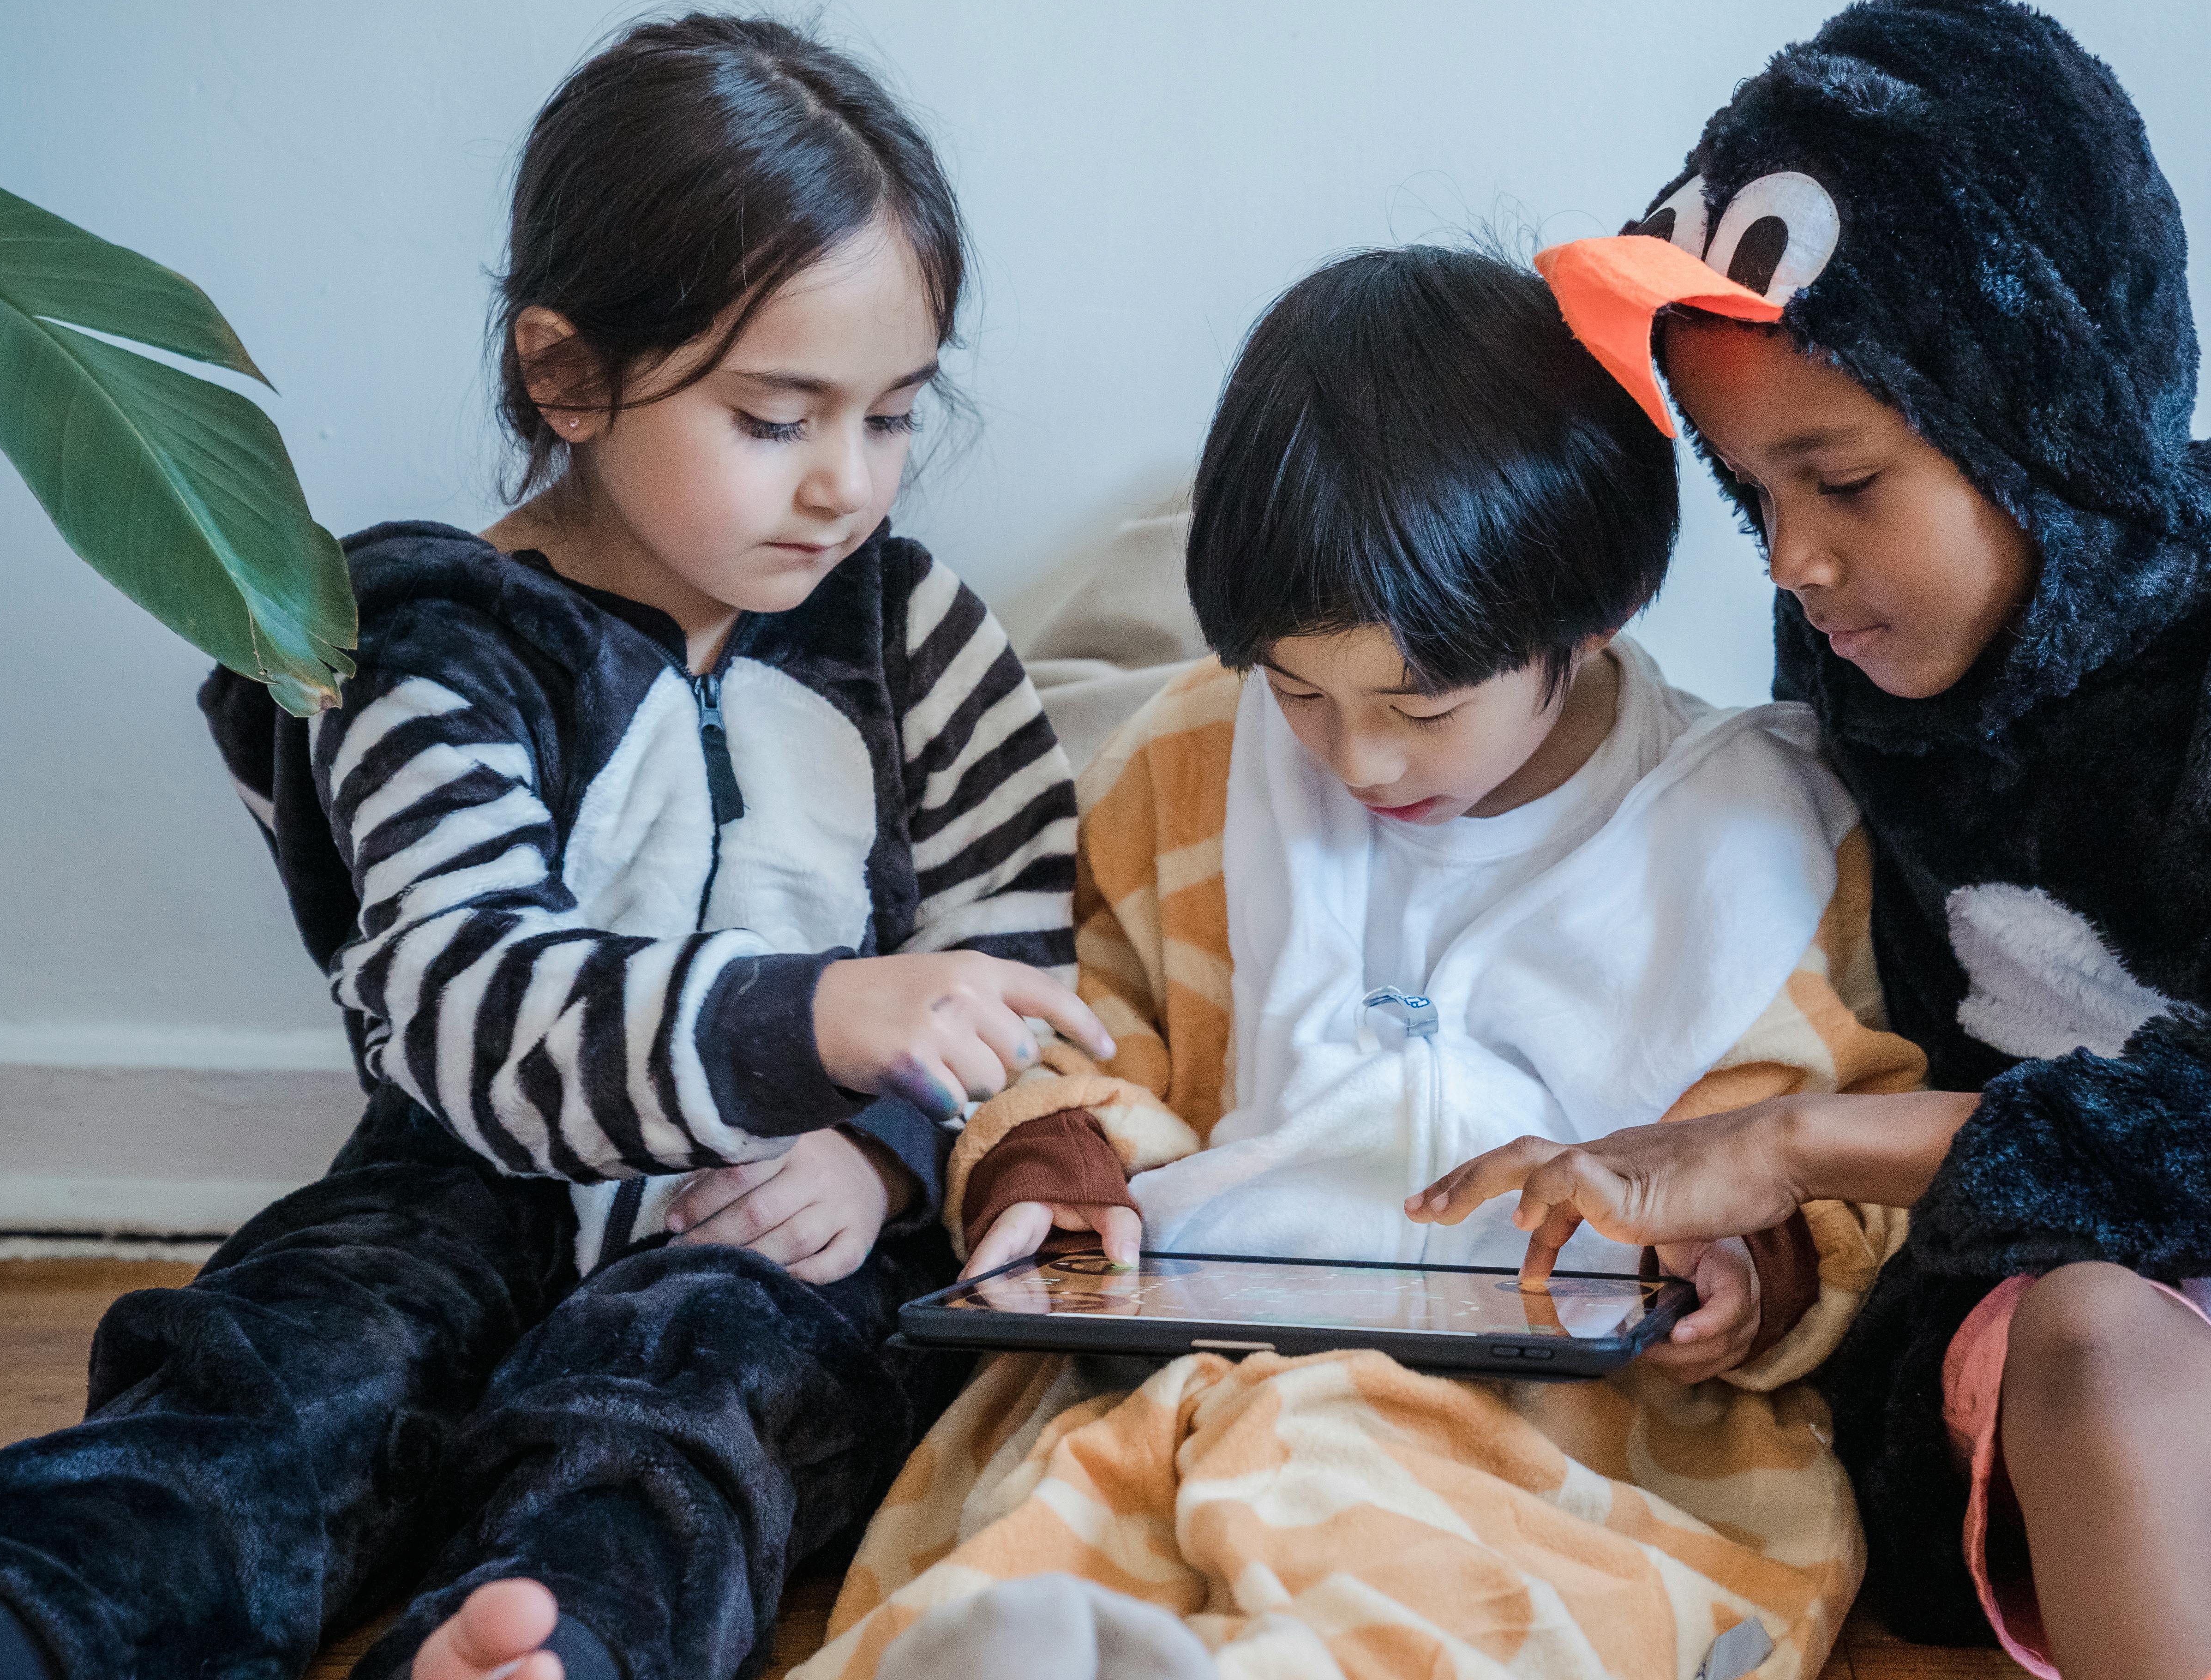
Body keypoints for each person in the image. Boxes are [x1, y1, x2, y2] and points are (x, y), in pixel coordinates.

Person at [1414, 0, 2211, 1680]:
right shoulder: (1850, 680)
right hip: (2105, 1337)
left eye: (1846, 481)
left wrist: (1798, 1147)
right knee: (2098, 1347)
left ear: (2049, 419)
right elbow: (1842, 1019)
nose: (1793, 562)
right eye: (1758, 495)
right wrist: (1765, 1228)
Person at [0, 12, 1111, 1680]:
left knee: (696, 1405)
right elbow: (468, 1003)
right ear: (567, 373)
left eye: (895, 417)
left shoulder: (915, 638)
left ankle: (545, 1646)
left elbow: (1021, 980)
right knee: (283, 1379)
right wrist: (822, 1016)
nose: (847, 485)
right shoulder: (432, 639)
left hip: (782, 1226)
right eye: (777, 420)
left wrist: (881, 1158)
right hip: (458, 1189)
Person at [797, 245, 1925, 1680]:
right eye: (1299, 692)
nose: (1360, 758)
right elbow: (1083, 1029)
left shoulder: (1750, 833)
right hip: (1193, 1348)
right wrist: (1052, 1170)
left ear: (1589, 618)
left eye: (1424, 705)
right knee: (1061, 1527)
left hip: (1575, 1415)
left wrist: (1747, 1262)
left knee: (1447, 1582)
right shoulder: (1191, 764)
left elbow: (1831, 1151)